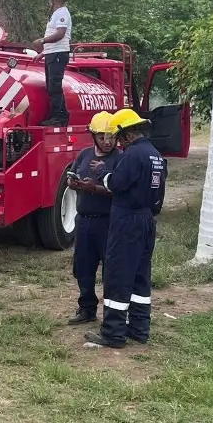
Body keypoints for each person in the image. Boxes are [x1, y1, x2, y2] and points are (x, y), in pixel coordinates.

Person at [85, 109, 168, 348]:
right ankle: (139, 329)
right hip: (146, 219)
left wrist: (103, 172)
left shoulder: (132, 155)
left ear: (129, 134)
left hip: (127, 220)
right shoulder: (155, 155)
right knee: (140, 276)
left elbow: (116, 184)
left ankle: (113, 333)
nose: (120, 142)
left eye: (120, 137)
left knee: (118, 275)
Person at [66, 111, 122, 325]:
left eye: (111, 137)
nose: (107, 142)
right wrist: (73, 183)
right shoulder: (84, 154)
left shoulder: (121, 158)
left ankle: (112, 312)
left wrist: (95, 189)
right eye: (102, 137)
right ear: (93, 136)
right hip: (84, 221)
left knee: (111, 269)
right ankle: (87, 308)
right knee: (83, 267)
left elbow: (121, 190)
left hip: (108, 222)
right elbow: (72, 174)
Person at [33, 0, 72, 126]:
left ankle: (59, 117)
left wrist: (42, 40)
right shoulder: (57, 13)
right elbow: (55, 43)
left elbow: (60, 34)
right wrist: (43, 53)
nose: (49, 1)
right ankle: (55, 115)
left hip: (58, 55)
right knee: (51, 86)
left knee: (55, 86)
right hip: (54, 54)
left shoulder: (62, 13)